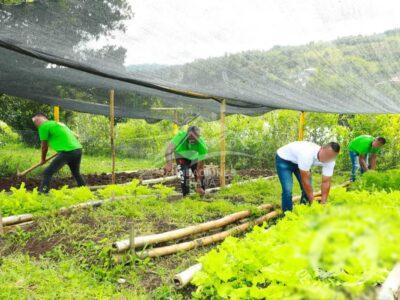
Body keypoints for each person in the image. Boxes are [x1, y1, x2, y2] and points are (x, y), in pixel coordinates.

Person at [275, 141, 340, 212]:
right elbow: (305, 181)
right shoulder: (307, 154)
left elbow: (326, 182)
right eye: (326, 154)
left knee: (308, 189)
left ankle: (303, 210)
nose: (327, 158)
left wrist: (323, 202)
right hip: (284, 159)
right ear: (321, 149)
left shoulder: (330, 161)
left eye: (331, 157)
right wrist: (313, 203)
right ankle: (287, 214)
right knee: (288, 190)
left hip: (300, 161)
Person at [32, 113, 85, 193]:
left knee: (47, 172)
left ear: (40, 119)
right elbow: (76, 136)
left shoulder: (43, 126)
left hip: (67, 151)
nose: (35, 124)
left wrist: (43, 159)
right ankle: (83, 189)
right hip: (78, 149)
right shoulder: (59, 124)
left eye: (35, 122)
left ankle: (43, 193)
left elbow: (44, 147)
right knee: (75, 172)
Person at [164, 126, 208, 196]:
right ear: (186, 134)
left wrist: (199, 186)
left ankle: (201, 195)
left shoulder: (202, 146)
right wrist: (169, 163)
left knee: (200, 176)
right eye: (190, 137)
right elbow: (169, 149)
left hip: (194, 158)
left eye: (195, 138)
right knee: (184, 175)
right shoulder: (180, 136)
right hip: (181, 156)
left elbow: (200, 168)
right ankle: (186, 197)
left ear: (199, 137)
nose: (192, 140)